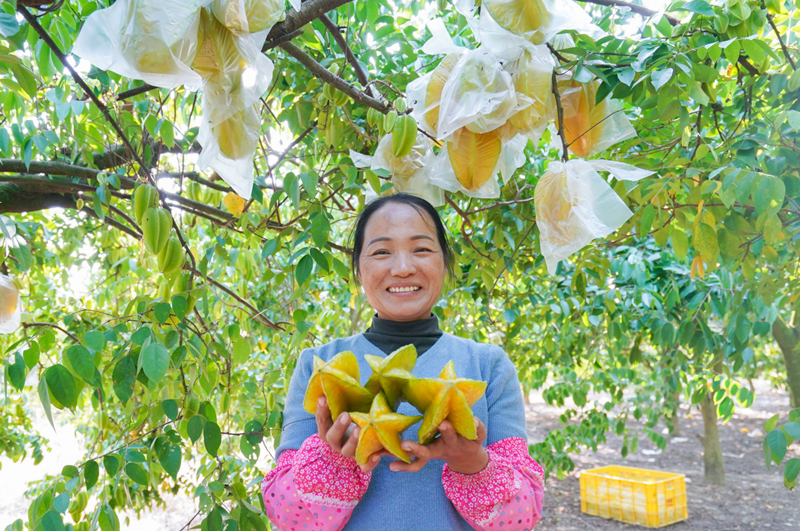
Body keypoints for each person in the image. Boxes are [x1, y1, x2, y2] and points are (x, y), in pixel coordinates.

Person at [261, 193, 544, 530]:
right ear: (358, 269)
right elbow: (287, 517)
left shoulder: (489, 366)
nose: (403, 268)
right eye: (381, 252)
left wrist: (471, 462)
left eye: (421, 249)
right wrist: (332, 460)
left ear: (445, 262)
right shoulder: (319, 365)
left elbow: (521, 519)